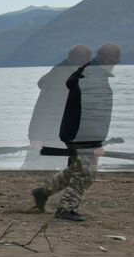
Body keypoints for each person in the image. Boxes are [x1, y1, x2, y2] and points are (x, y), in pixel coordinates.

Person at [31, 42, 121, 222]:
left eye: (117, 61)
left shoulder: (92, 73)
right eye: (113, 60)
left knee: (76, 169)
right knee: (86, 173)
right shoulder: (92, 75)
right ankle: (65, 208)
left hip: (78, 132)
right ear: (104, 58)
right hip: (81, 134)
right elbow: (89, 111)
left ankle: (42, 192)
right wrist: (93, 142)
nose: (115, 64)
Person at [22, 44, 91, 172]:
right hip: (49, 135)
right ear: (77, 59)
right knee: (35, 170)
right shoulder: (59, 77)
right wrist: (35, 136)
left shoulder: (70, 74)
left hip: (61, 133)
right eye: (86, 59)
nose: (89, 64)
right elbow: (41, 109)